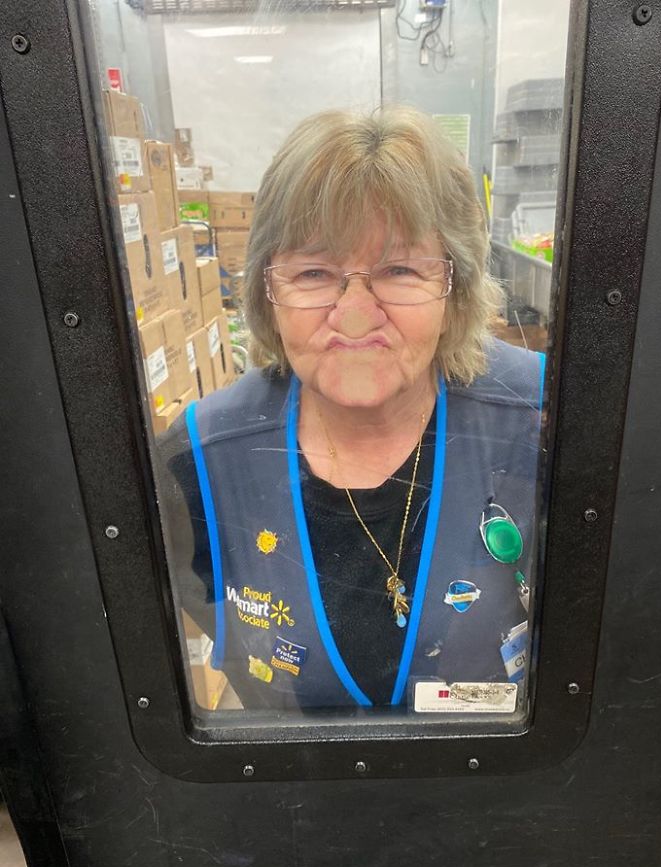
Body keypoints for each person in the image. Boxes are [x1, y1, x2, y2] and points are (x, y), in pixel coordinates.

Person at [162, 106, 545, 713]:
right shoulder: (199, 464)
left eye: (399, 269)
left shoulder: (547, 420)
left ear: (457, 284)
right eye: (314, 272)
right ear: (268, 288)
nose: (357, 315)